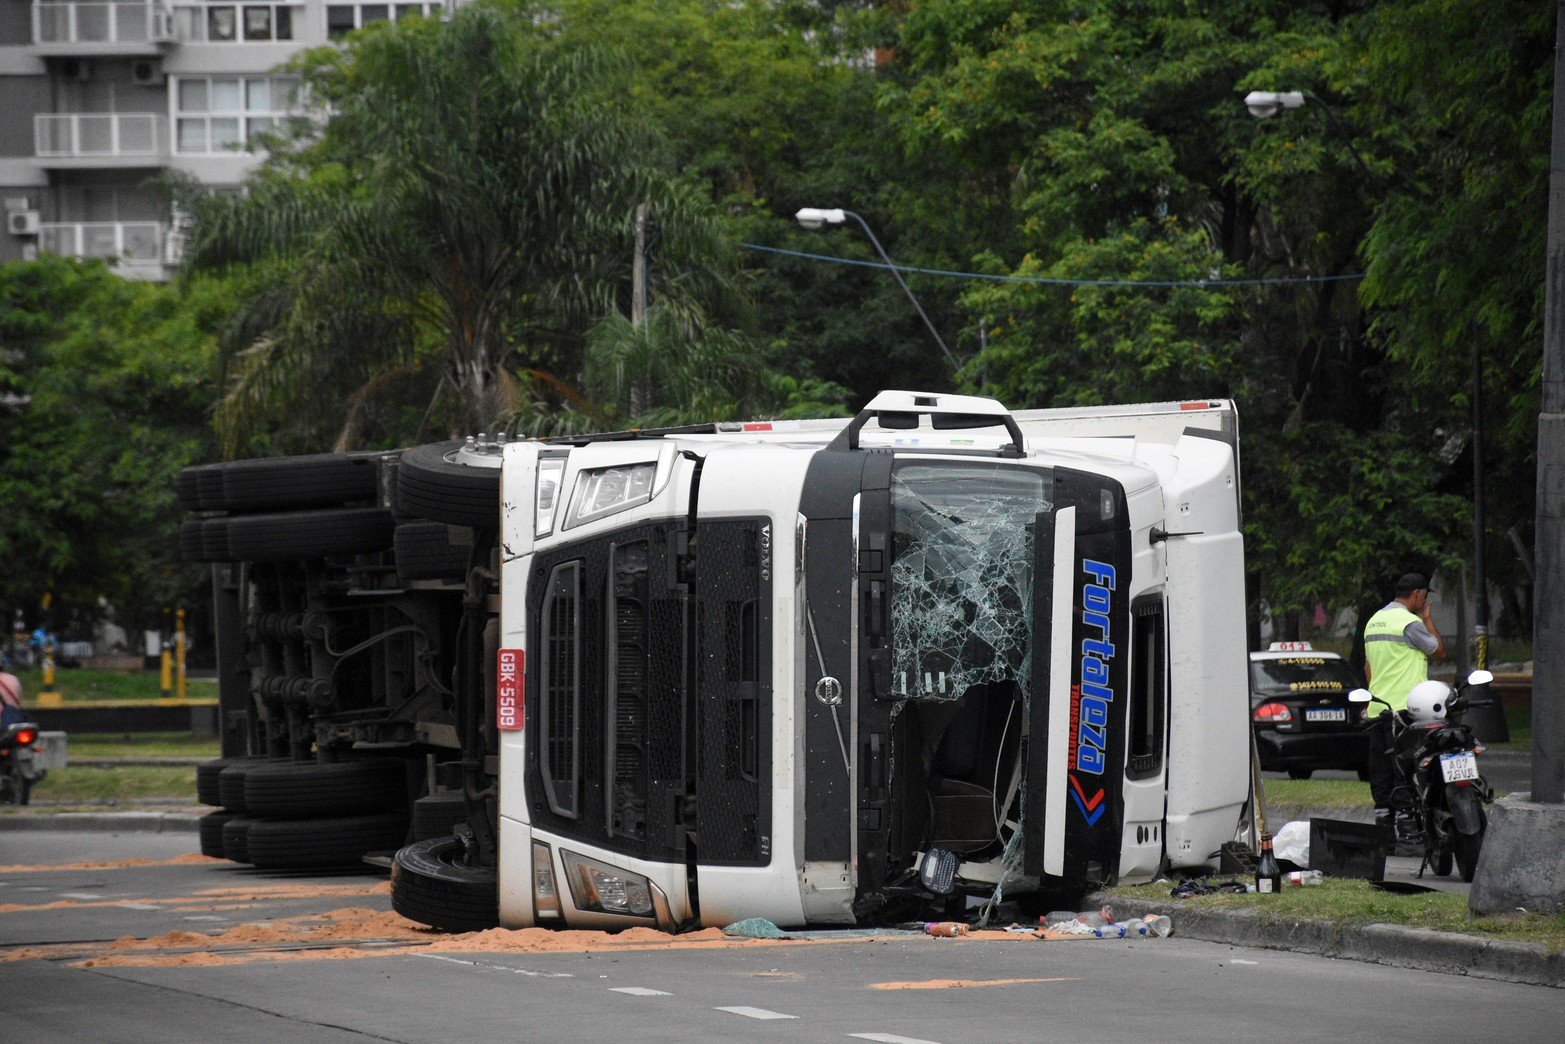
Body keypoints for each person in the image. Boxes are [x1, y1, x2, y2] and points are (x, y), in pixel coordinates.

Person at [1362, 572, 1446, 845]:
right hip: (1408, 710)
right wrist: (1428, 619)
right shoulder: (1410, 623)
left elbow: (1368, 667)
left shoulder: (1374, 621)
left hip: (1378, 710)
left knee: (1382, 772)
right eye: (1424, 596)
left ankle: (1385, 833)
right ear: (1418, 594)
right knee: (1409, 770)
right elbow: (1439, 652)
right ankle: (1409, 831)